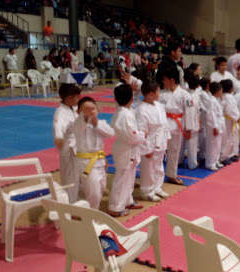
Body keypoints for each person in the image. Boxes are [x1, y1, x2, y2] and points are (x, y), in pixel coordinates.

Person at [107, 84, 148, 217]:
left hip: (127, 148)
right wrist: (143, 133)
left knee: (129, 177)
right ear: (131, 99)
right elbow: (132, 136)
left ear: (115, 99)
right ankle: (115, 207)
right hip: (125, 149)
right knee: (123, 178)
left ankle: (127, 200)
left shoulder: (124, 112)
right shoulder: (123, 115)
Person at [73, 97, 115, 210]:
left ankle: (90, 213)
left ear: (98, 110)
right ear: (78, 112)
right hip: (86, 162)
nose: (90, 111)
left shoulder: (101, 123)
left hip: (100, 161)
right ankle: (91, 220)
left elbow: (111, 133)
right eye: (85, 109)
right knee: (94, 193)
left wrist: (96, 124)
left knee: (101, 188)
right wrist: (85, 117)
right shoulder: (77, 124)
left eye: (93, 108)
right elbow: (79, 125)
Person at [136, 81, 172, 201]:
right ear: (151, 94)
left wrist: (167, 137)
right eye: (158, 91)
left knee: (159, 165)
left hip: (160, 138)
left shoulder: (159, 105)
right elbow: (142, 130)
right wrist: (146, 149)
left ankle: (157, 188)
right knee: (148, 167)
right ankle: (147, 191)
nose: (159, 93)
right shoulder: (141, 110)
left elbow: (164, 123)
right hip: (150, 140)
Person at [158, 66, 192, 186]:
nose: (163, 82)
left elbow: (189, 112)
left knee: (174, 151)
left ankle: (172, 175)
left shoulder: (185, 94)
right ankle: (157, 175)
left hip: (177, 124)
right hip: (163, 124)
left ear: (171, 80)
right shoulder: (161, 94)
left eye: (164, 79)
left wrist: (188, 128)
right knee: (159, 151)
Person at [53, 84, 81, 203]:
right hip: (68, 148)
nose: (78, 100)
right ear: (69, 98)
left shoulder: (72, 109)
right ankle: (70, 203)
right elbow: (58, 125)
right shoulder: (61, 112)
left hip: (77, 146)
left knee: (77, 175)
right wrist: (58, 137)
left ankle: (75, 198)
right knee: (70, 177)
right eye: (77, 98)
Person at [180, 75, 201, 169]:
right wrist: (189, 127)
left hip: (183, 121)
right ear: (198, 86)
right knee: (192, 145)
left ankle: (179, 161)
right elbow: (192, 111)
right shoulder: (192, 96)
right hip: (191, 122)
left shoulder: (184, 93)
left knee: (181, 143)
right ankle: (192, 164)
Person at [220, 79, 240, 166]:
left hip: (229, 120)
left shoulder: (225, 96)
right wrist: (237, 117)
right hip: (229, 120)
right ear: (231, 88)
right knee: (227, 139)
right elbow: (229, 111)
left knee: (232, 138)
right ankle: (223, 157)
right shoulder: (228, 97)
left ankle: (230, 154)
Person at [205, 82, 225, 171]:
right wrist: (214, 127)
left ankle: (215, 160)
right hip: (214, 125)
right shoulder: (211, 101)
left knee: (218, 144)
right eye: (221, 90)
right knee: (212, 144)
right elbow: (211, 115)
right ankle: (210, 163)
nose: (222, 91)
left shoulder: (215, 99)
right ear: (218, 91)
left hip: (219, 124)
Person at [198, 76, 211, 163]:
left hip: (207, 117)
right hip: (204, 116)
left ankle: (205, 153)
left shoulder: (207, 94)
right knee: (203, 135)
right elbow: (209, 106)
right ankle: (203, 154)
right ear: (208, 85)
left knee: (206, 135)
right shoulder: (203, 94)